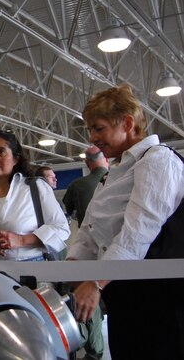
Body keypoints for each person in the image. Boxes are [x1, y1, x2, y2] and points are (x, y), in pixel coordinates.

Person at [67, 85, 184, 359]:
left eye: (99, 128)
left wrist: (95, 283)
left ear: (128, 123)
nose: (94, 139)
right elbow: (89, 230)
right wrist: (70, 271)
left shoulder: (158, 161)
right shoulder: (114, 172)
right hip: (125, 297)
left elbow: (137, 233)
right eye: (91, 131)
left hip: (161, 302)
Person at [0, 130, 70, 261]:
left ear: (15, 159)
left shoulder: (36, 187)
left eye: (1, 151)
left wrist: (21, 240)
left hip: (33, 269)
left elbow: (61, 228)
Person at [63, 146, 109, 360]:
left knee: (89, 303)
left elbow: (67, 216)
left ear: (87, 163)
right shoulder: (116, 178)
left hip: (89, 252)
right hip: (119, 254)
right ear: (104, 160)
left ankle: (92, 347)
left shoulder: (78, 185)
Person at [63, 146, 109, 227]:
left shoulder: (76, 185)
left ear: (87, 163)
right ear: (107, 159)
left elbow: (69, 210)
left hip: (88, 234)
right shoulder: (121, 179)